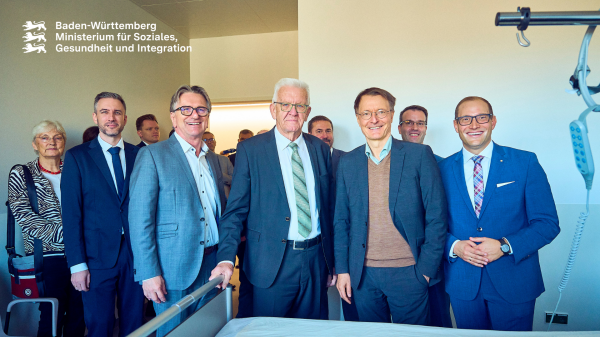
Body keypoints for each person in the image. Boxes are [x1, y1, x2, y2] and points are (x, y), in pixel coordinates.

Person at [211, 78, 335, 319]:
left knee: (312, 332)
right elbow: (235, 211)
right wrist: (226, 257)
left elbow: (329, 209)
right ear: (273, 109)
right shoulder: (251, 150)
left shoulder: (319, 149)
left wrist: (334, 262)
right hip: (271, 262)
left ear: (307, 112)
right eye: (285, 104)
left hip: (316, 262)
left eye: (299, 106)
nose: (292, 111)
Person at [439, 96, 560, 331]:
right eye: (466, 119)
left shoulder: (525, 162)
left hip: (515, 281)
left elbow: (547, 223)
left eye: (481, 117)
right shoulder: (440, 169)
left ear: (493, 121)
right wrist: (455, 247)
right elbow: (430, 224)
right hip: (463, 283)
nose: (473, 125)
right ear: (456, 125)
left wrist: (505, 246)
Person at [334, 87, 447, 325]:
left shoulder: (419, 155)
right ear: (358, 118)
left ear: (392, 114)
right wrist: (343, 270)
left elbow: (436, 216)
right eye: (366, 113)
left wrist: (425, 271)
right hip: (363, 274)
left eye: (380, 112)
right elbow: (341, 221)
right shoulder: (348, 162)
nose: (373, 119)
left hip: (409, 272)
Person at [128, 85, 228, 337]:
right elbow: (140, 221)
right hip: (172, 270)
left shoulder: (213, 160)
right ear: (173, 116)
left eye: (201, 109)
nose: (194, 115)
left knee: (209, 331)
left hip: (212, 265)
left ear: (207, 115)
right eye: (186, 109)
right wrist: (149, 273)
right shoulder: (152, 155)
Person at [62, 92, 144, 337]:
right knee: (99, 324)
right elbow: (71, 215)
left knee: (135, 322)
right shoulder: (77, 157)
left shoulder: (140, 155)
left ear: (125, 119)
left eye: (117, 112)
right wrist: (77, 265)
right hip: (95, 257)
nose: (111, 117)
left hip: (136, 254)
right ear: (95, 117)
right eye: (105, 112)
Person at [8, 121, 86, 337]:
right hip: (47, 257)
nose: (51, 142)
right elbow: (24, 216)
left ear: (63, 143)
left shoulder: (75, 170)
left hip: (81, 254)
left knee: (80, 313)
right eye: (44, 137)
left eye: (57, 137)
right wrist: (71, 235)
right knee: (52, 313)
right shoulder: (21, 173)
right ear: (35, 144)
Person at [397, 104, 452, 327]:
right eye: (409, 122)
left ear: (426, 128)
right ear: (399, 127)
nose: (414, 127)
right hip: (397, 263)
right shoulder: (383, 163)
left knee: (438, 320)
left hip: (435, 260)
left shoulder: (443, 165)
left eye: (420, 123)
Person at [307, 115, 358, 321]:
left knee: (352, 295)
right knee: (316, 301)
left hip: (347, 236)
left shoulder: (348, 159)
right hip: (317, 242)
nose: (325, 135)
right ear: (309, 134)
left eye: (328, 131)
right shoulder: (303, 161)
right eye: (319, 131)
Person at [202, 131, 234, 197]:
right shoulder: (198, 160)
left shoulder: (225, 160)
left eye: (211, 139)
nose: (209, 142)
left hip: (225, 199)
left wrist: (218, 174)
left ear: (215, 142)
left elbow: (234, 179)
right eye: (205, 140)